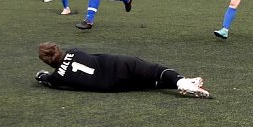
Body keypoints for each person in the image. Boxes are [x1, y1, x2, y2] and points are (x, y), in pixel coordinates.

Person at [35, 42, 210, 97]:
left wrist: (43, 76)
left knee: (149, 84)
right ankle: (183, 81)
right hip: (117, 64)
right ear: (58, 49)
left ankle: (184, 84)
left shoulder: (57, 78)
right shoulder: (74, 52)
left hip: (110, 85)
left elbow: (43, 78)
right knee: (156, 70)